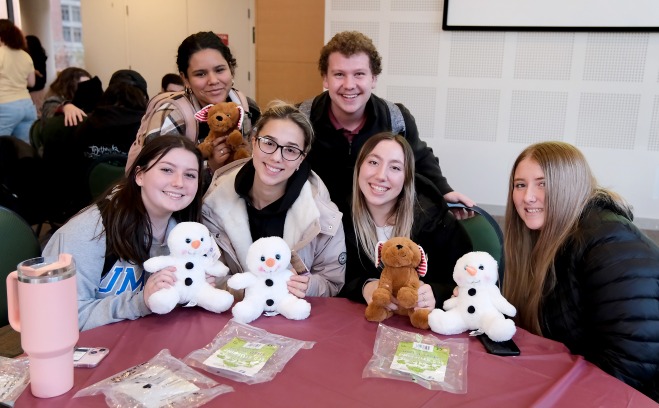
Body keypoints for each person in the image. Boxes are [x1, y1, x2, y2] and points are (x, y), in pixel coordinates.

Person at [502, 141, 659, 401]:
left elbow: (634, 358)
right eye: (520, 184)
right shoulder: (542, 236)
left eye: (542, 183)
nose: (528, 196)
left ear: (569, 187)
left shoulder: (610, 243)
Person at [300, 31, 474, 219]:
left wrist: (444, 190)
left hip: (377, 224)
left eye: (359, 74)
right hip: (317, 225)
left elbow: (420, 160)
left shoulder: (396, 119)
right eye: (339, 74)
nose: (349, 85)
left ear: (373, 78)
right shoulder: (300, 119)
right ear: (325, 78)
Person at [42, 135, 205, 331]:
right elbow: (61, 319)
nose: (179, 182)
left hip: (146, 340)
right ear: (139, 175)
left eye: (190, 175)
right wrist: (140, 302)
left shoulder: (187, 233)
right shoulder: (90, 231)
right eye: (166, 170)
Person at [203, 101, 346, 298]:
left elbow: (331, 280)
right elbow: (208, 274)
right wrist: (247, 291)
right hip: (236, 320)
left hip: (295, 319)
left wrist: (308, 286)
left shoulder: (322, 214)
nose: (277, 157)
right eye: (269, 143)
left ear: (301, 159)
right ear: (253, 142)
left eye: (290, 150)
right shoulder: (214, 204)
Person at [341, 132, 472, 311]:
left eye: (395, 168)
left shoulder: (435, 221)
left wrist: (436, 293)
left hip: (421, 329)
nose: (381, 175)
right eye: (373, 162)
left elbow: (472, 281)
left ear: (407, 178)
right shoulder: (338, 218)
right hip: (362, 324)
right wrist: (364, 286)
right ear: (359, 167)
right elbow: (333, 277)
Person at [127, 31, 260, 176]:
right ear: (185, 79)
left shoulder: (246, 107)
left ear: (231, 69)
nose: (213, 80)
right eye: (200, 74)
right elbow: (154, 176)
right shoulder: (172, 115)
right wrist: (211, 167)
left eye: (220, 70)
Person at [0, 19, 37, 143]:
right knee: (25, 149)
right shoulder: (25, 56)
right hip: (27, 105)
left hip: (5, 106)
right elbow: (32, 83)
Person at [25, 35, 47, 116]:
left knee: (36, 112)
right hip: (39, 88)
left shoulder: (32, 58)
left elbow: (40, 76)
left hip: (35, 90)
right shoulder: (41, 57)